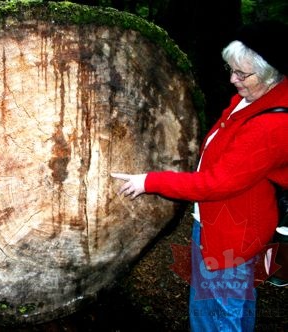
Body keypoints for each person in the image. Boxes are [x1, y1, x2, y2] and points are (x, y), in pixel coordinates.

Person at [111, 20, 288, 332]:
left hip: (230, 231)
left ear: (271, 73)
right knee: (234, 304)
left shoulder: (271, 124)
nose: (233, 80)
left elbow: (216, 182)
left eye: (243, 74)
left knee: (216, 315)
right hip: (231, 222)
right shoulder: (253, 98)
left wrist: (149, 181)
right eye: (230, 69)